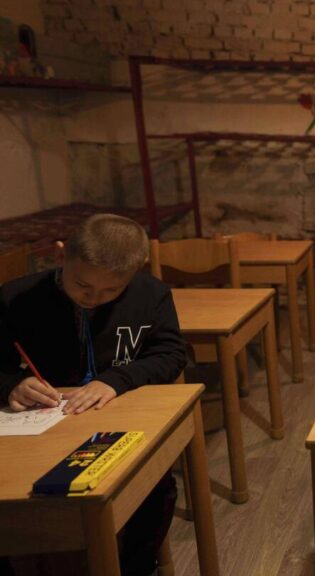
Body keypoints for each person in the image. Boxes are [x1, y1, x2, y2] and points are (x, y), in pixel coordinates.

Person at [0, 214, 187, 576]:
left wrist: (117, 379)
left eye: (111, 291)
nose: (93, 299)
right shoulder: (15, 298)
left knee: (154, 486)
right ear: (60, 257)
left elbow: (171, 354)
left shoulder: (151, 294)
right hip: (41, 428)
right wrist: (11, 386)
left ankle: (134, 566)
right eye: (82, 285)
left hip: (121, 420)